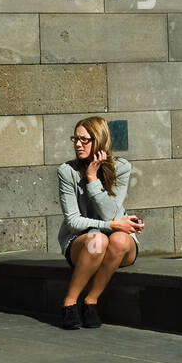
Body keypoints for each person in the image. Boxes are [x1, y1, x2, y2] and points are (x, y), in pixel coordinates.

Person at [57, 116, 142, 330]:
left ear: (99, 140)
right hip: (81, 241)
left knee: (121, 240)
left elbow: (111, 213)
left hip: (117, 243)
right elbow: (74, 221)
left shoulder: (121, 168)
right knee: (98, 240)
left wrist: (93, 179)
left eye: (84, 140)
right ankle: (69, 303)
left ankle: (91, 301)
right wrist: (112, 226)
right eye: (75, 139)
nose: (77, 144)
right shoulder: (67, 172)